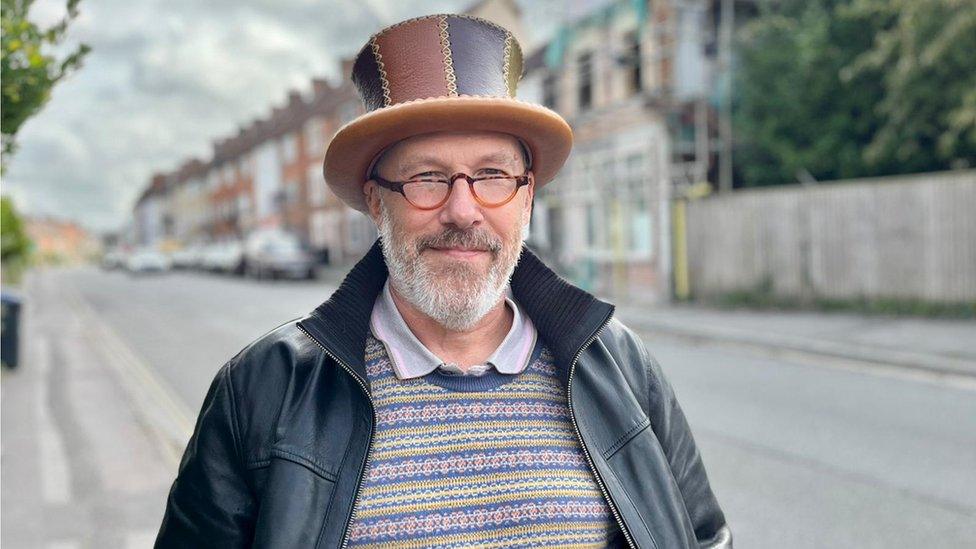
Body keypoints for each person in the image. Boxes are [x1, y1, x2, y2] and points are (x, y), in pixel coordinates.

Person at [155, 14, 731, 549]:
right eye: (428, 178)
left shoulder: (619, 365)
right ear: (377, 203)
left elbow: (702, 537)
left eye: (492, 176)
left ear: (526, 197)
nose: (463, 210)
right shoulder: (261, 390)